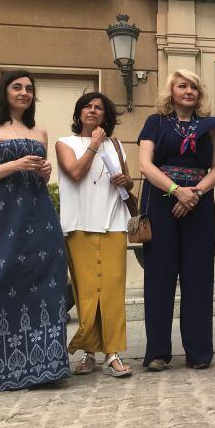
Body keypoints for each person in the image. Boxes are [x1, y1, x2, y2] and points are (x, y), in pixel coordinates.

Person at [0, 70, 69, 396]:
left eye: (29, 89)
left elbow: (37, 174)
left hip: (37, 220)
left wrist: (44, 171)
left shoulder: (40, 130)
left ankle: (46, 365)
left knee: (42, 283)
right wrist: (14, 165)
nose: (24, 92)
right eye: (17, 87)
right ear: (3, 91)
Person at [138, 69, 215, 371]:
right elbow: (145, 165)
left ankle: (199, 353)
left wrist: (195, 194)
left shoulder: (210, 127)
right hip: (161, 201)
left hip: (200, 203)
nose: (188, 91)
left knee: (199, 278)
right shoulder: (155, 123)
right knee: (159, 277)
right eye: (182, 86)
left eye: (193, 86)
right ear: (171, 91)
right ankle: (157, 353)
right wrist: (177, 192)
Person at [56, 92, 134, 377]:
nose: (93, 110)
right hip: (79, 223)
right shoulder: (65, 143)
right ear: (78, 114)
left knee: (113, 290)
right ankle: (90, 352)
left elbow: (128, 184)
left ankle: (112, 353)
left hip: (113, 221)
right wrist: (94, 144)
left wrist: (126, 180)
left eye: (99, 107)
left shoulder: (116, 145)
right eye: (87, 106)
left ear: (106, 115)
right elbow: (75, 172)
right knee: (87, 293)